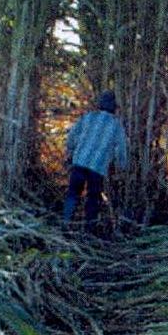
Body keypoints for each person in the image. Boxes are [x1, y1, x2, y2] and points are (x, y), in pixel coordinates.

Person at [63, 90, 128, 232]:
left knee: (73, 193)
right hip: (98, 168)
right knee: (93, 198)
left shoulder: (88, 117)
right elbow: (121, 150)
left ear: (99, 105)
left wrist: (70, 152)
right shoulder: (116, 126)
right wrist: (121, 167)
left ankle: (66, 223)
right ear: (114, 108)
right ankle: (88, 229)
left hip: (79, 161)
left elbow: (72, 137)